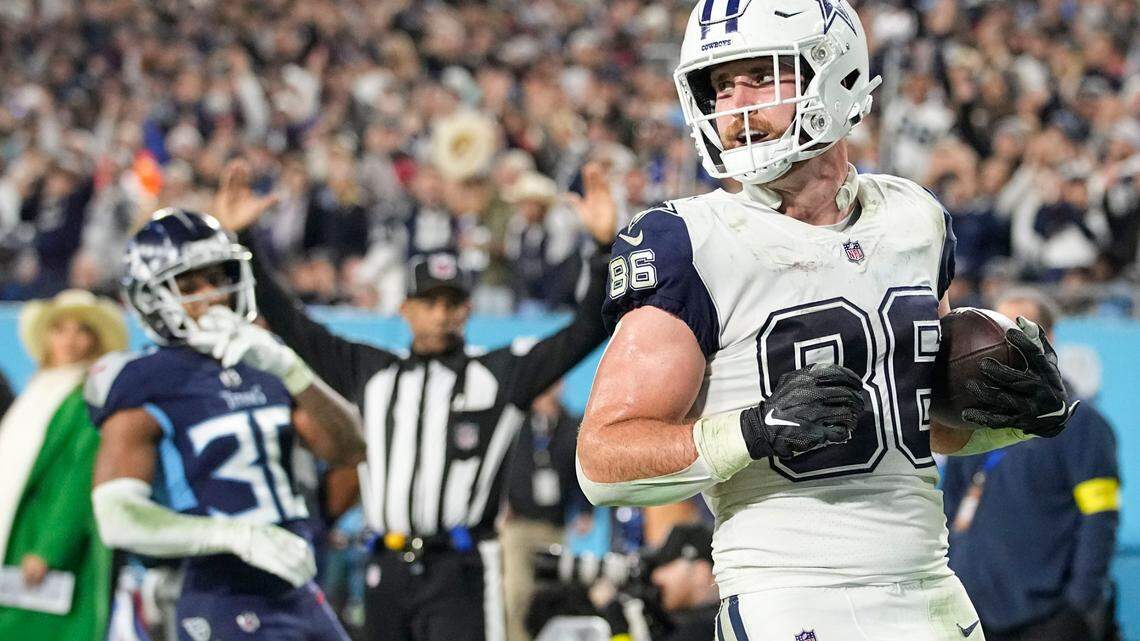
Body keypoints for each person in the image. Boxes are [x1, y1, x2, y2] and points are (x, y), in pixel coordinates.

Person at [575, 0, 1078, 638]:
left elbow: (927, 429)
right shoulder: (690, 242)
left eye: (761, 76)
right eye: (720, 86)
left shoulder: (913, 219)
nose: (736, 106)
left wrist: (1018, 418)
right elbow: (600, 460)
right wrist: (753, 430)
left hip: (929, 588)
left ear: (834, 72)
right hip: (788, 597)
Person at [211, 159, 617, 641]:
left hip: (461, 568)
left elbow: (586, 328)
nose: (441, 314)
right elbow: (292, 322)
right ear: (405, 309)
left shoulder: (500, 373)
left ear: (467, 309)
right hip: (385, 565)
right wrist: (245, 243)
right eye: (430, 302)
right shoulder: (371, 371)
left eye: (452, 303)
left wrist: (602, 248)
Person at [87, 208, 366, 641]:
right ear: (149, 298)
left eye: (218, 278)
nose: (213, 295)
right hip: (218, 590)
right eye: (191, 284)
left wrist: (291, 369)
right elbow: (117, 516)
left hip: (297, 586)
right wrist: (236, 535)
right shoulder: (144, 379)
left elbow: (350, 449)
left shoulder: (262, 359)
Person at [943, 289, 1121, 641]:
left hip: (1047, 619)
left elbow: (1100, 519)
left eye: (1021, 328)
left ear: (1048, 339)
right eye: (1000, 326)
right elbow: (951, 506)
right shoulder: (973, 419)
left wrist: (1079, 604)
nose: (1006, 340)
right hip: (975, 615)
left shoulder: (1082, 424)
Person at [0, 289, 127, 641]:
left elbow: (80, 479)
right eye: (60, 329)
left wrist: (49, 549)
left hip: (46, 551)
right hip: (15, 537)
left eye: (81, 330)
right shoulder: (37, 389)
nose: (69, 340)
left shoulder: (88, 397)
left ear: (96, 339)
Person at [500, 381, 593, 641]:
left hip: (554, 526)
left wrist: (586, 511)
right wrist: (500, 502)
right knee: (515, 593)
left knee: (552, 595)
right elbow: (498, 465)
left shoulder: (571, 424)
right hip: (518, 525)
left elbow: (581, 471)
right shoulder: (516, 424)